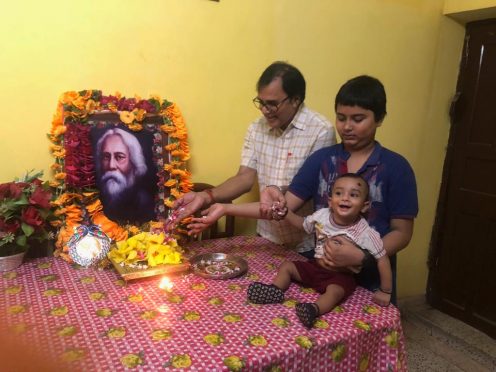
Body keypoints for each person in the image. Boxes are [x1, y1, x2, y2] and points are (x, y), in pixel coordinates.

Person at [189, 75, 418, 303]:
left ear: (379, 119)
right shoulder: (323, 160)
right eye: (341, 118)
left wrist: (363, 256)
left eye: (358, 119)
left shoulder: (396, 168)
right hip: (325, 273)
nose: (347, 127)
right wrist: (225, 209)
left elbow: (402, 232)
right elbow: (281, 207)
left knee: (372, 332)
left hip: (373, 281)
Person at [175, 61, 335, 255]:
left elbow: (290, 201)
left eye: (272, 104)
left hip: (305, 243)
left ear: (295, 99)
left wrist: (225, 209)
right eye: (261, 102)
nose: (265, 110)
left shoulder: (320, 131)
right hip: (266, 238)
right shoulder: (256, 128)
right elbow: (244, 178)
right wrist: (205, 196)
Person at [192, 174, 392, 328]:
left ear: (365, 206)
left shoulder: (365, 232)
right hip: (315, 267)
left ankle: (313, 309)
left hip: (340, 276)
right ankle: (276, 290)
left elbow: (382, 259)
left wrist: (385, 291)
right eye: (339, 193)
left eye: (353, 195)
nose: (345, 198)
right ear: (330, 200)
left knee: (335, 292)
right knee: (288, 266)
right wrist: (286, 213)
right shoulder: (322, 216)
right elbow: (301, 224)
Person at [94, 127, 157, 223]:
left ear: (134, 162)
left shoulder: (146, 203)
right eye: (106, 157)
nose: (111, 165)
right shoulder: (93, 200)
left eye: (119, 157)